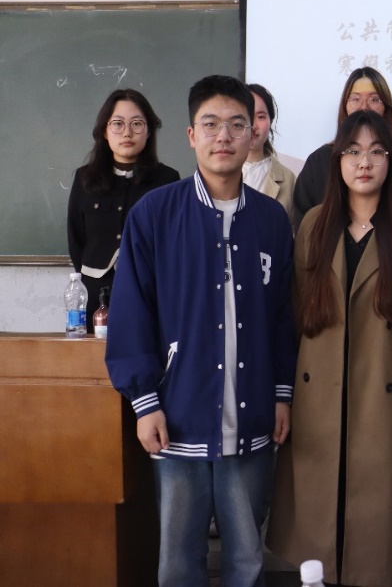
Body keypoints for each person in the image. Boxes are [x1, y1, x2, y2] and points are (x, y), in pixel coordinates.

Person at [105, 75, 297, 586]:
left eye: (237, 124)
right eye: (210, 125)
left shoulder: (271, 220)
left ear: (253, 134)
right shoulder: (154, 215)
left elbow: (284, 315)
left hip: (252, 414)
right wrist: (144, 402)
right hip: (177, 416)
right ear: (192, 136)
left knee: (246, 558)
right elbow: (131, 314)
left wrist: (282, 393)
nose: (224, 136)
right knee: (178, 561)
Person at [268, 110, 392, 586]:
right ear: (338, 161)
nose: (364, 162)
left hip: (387, 402)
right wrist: (283, 394)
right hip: (319, 401)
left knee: (383, 539)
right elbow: (292, 318)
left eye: (375, 151)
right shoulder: (313, 226)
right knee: (319, 537)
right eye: (352, 151)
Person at [67, 89, 179, 317]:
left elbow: (175, 241)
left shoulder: (167, 180)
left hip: (150, 292)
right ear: (105, 131)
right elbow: (76, 238)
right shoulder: (85, 178)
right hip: (95, 293)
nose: (127, 132)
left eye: (136, 124)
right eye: (117, 124)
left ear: (149, 131)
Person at [292, 66, 392, 226]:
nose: (364, 107)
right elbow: (303, 224)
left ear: (386, 108)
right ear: (345, 107)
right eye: (356, 99)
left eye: (374, 99)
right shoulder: (319, 161)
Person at [243, 82, 296, 220]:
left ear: (270, 121)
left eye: (260, 117)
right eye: (246, 115)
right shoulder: (216, 171)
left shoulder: (289, 180)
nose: (253, 125)